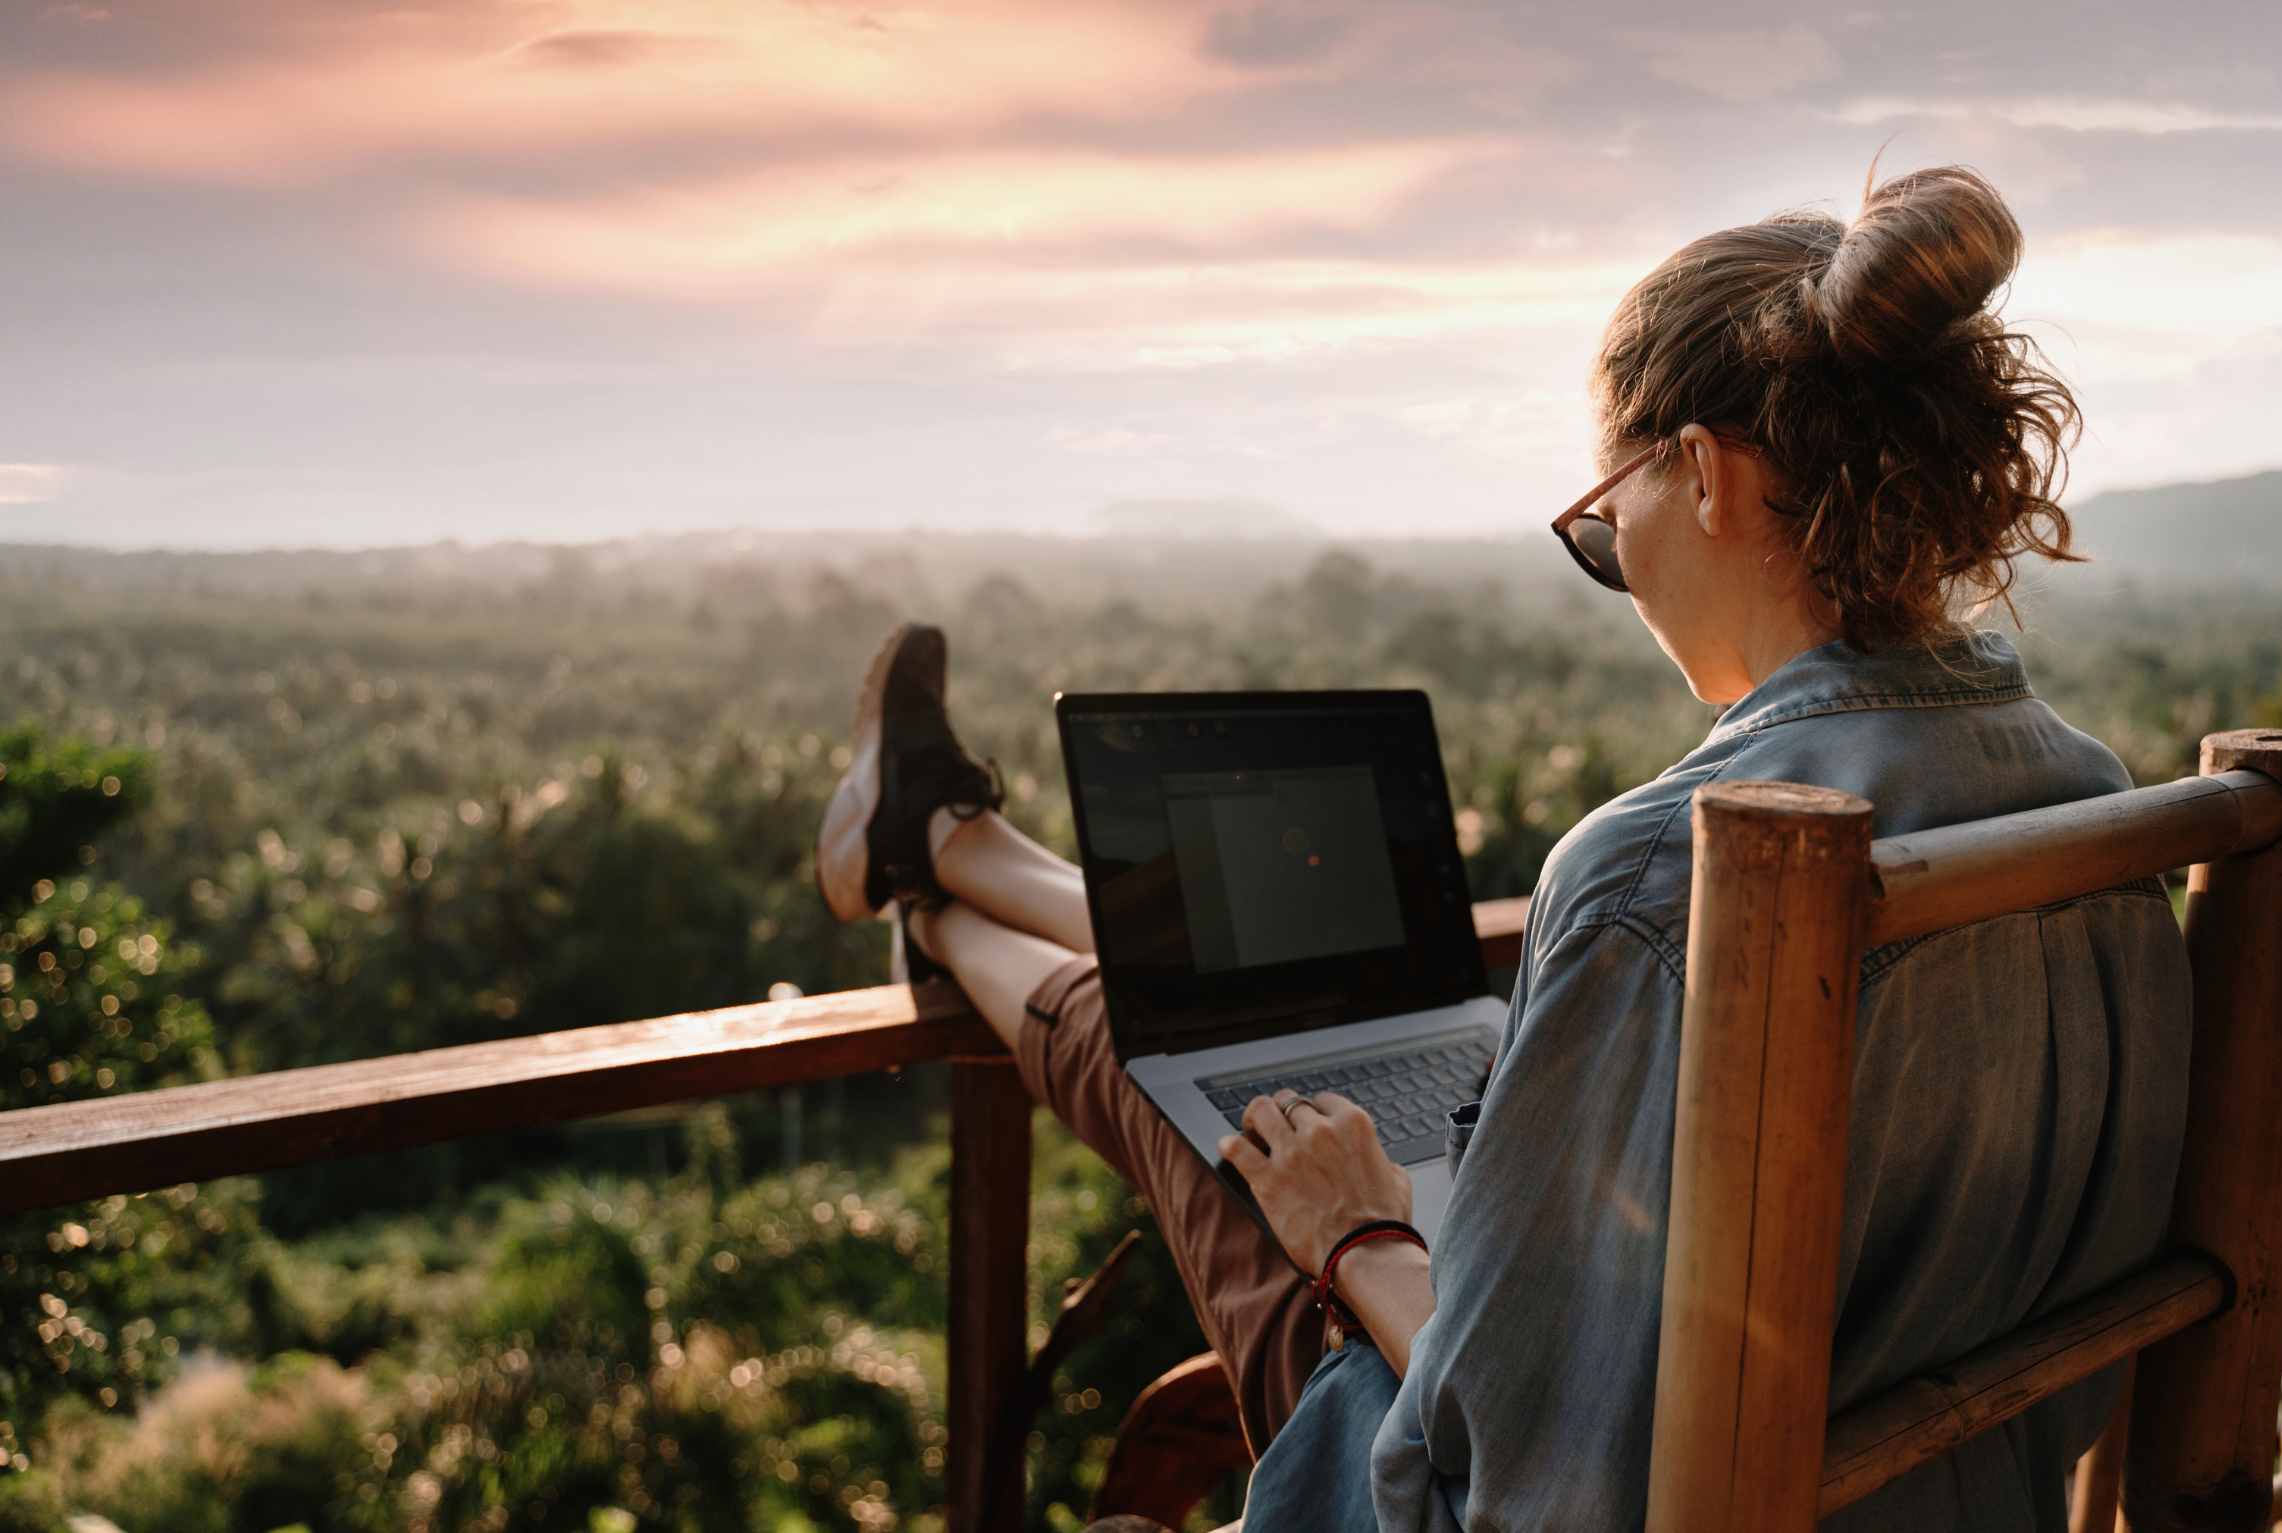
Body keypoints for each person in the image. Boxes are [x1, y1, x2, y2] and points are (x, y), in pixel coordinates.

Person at [813, 163, 2191, 1532]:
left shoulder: (1667, 872)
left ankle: (931, 883)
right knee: (1235, 1043)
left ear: (1702, 474)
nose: (1617, 562)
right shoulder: (2094, 804)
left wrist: (1360, 1235)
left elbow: (1536, 1483)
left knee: (1195, 1068)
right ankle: (949, 855)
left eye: (1605, 520)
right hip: (1952, 1496)